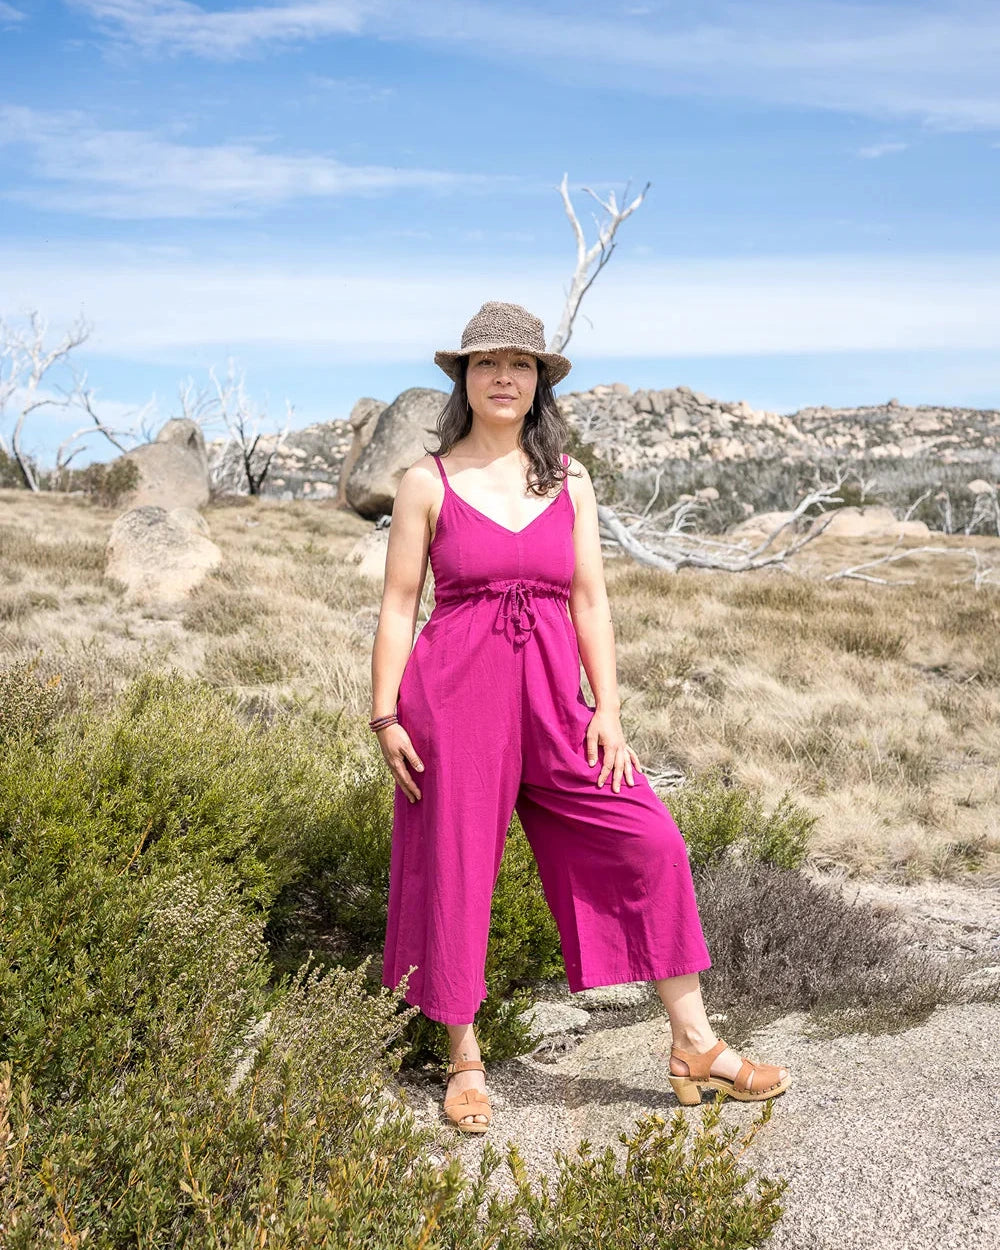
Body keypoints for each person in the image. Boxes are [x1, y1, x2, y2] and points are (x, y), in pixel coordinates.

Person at [370, 301, 790, 1133]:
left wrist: (611, 711)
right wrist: (385, 717)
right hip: (454, 699)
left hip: (557, 699)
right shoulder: (428, 481)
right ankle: (464, 1060)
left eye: (520, 364)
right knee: (456, 871)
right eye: (487, 363)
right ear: (464, 377)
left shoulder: (569, 480)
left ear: (539, 381)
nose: (503, 377)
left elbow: (590, 600)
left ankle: (695, 1043)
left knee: (648, 838)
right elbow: (396, 606)